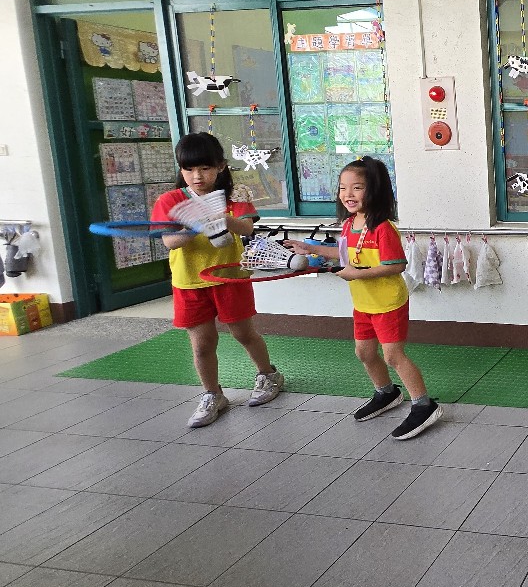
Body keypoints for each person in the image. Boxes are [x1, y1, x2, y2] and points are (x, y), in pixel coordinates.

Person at [290, 157, 443, 440]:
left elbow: (396, 265)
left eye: (357, 187)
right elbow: (347, 255)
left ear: (374, 190)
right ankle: (386, 393)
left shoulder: (382, 228)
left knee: (393, 355)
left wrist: (357, 274)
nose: (347, 194)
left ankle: (424, 405)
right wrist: (311, 248)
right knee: (364, 353)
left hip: (388, 303)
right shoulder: (350, 224)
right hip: (363, 303)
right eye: (342, 187)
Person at [152, 132, 283, 428]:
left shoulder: (236, 194)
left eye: (205, 168)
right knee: (202, 344)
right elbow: (170, 242)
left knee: (243, 333)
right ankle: (213, 394)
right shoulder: (170, 200)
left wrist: (221, 218)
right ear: (181, 169)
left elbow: (247, 227)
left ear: (221, 166)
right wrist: (195, 225)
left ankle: (269, 374)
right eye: (189, 169)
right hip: (189, 282)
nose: (197, 176)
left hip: (230, 278)